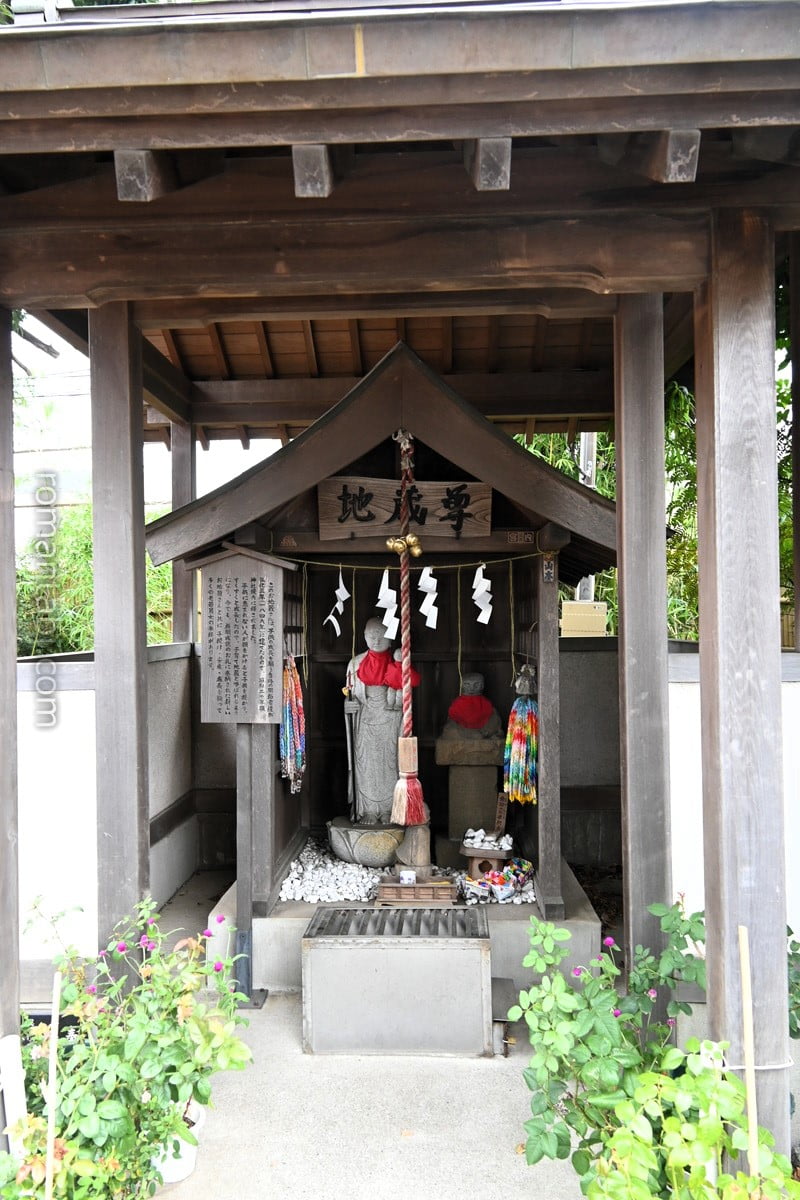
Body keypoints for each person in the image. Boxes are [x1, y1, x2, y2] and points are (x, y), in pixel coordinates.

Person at [344, 617, 419, 824]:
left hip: (390, 720)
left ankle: (389, 810)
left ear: (390, 637)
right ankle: (366, 810)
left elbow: (406, 696)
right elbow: (350, 696)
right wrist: (347, 707)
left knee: (390, 764)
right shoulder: (355, 663)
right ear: (364, 636)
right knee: (365, 765)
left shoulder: (398, 663)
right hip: (365, 721)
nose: (376, 640)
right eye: (371, 636)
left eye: (381, 636)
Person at [440, 671, 503, 741]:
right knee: (450, 729)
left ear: (482, 685)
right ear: (462, 685)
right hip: (462, 732)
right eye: (467, 684)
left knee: (495, 720)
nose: (472, 688)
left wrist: (486, 731)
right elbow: (452, 719)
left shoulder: (486, 703)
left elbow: (493, 719)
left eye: (476, 685)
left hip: (482, 732)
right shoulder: (457, 703)